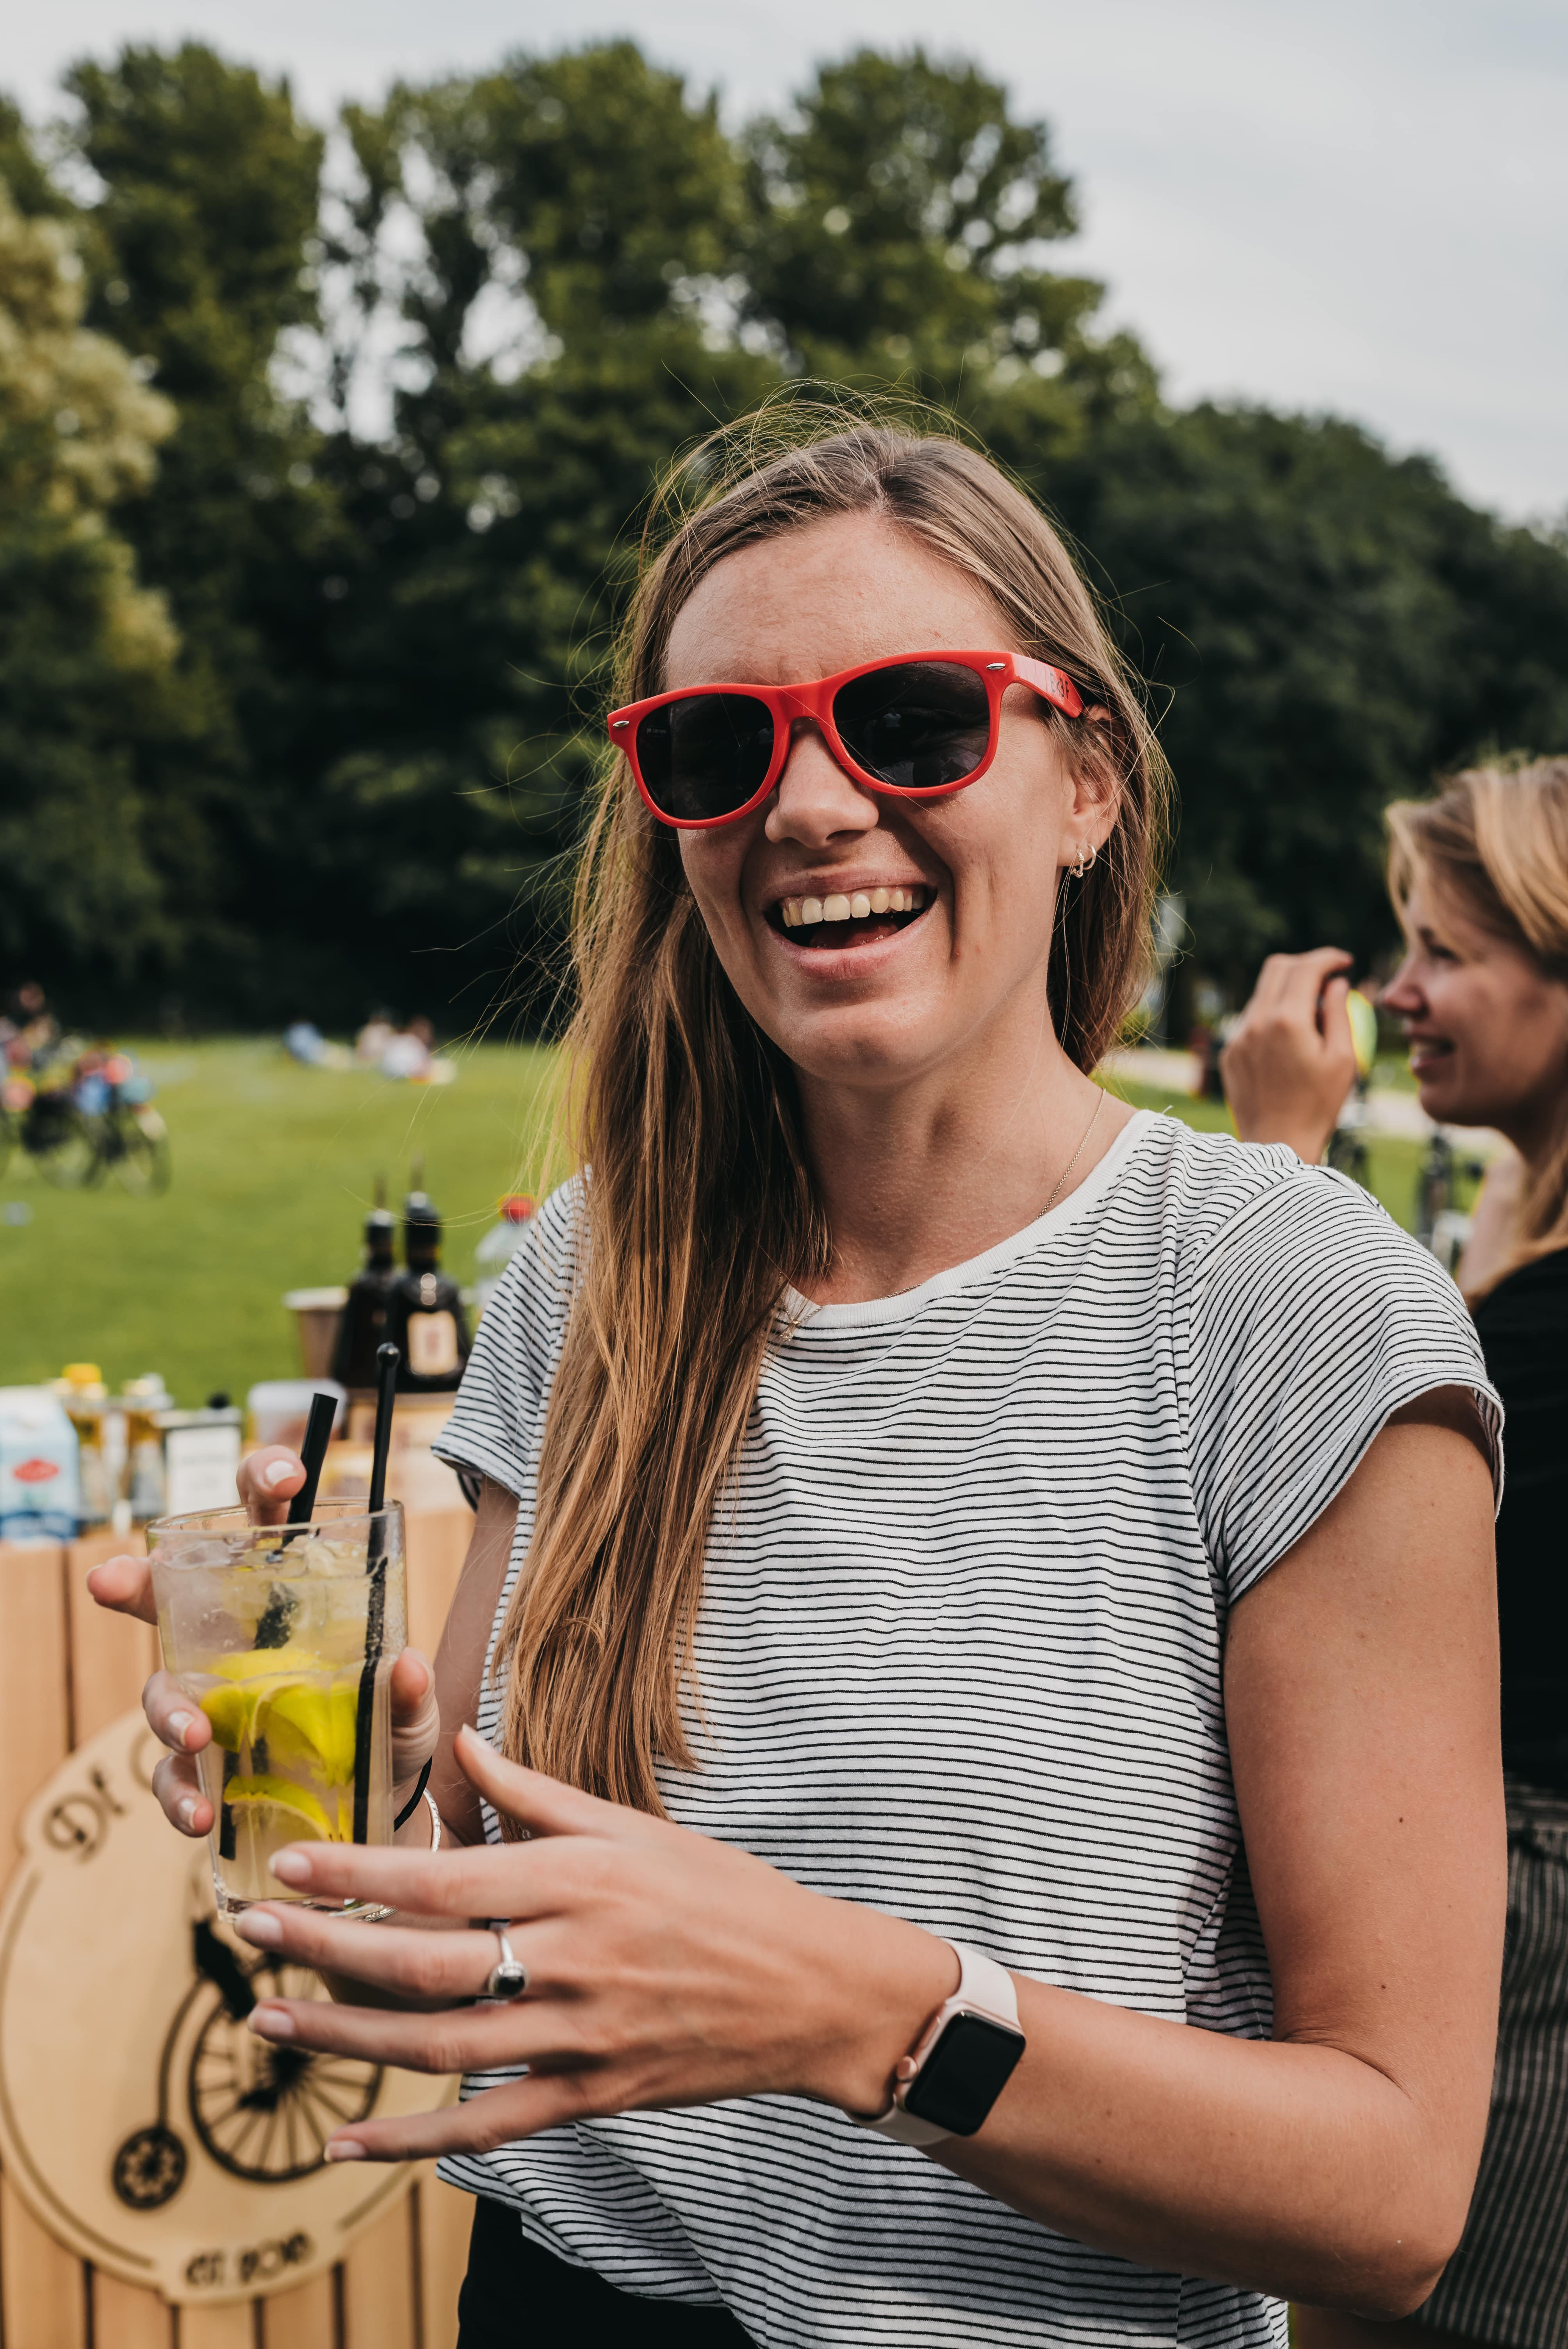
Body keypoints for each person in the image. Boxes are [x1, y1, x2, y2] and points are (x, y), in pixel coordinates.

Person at [94, 420, 1506, 2349]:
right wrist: (360, 1794)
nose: (813, 803)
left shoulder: (1289, 1305)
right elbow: (490, 1931)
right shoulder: (594, 1267)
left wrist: (862, 2012)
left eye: (912, 720)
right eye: (717, 745)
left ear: (1084, 777)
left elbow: (1396, 2187)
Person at [1222, 756, 1568, 2349]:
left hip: (1512, 2009)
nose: (1404, 994)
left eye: (1441, 953)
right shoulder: (1521, 1255)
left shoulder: (1548, 1338)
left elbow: (1291, 1528)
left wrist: (1278, 1163)